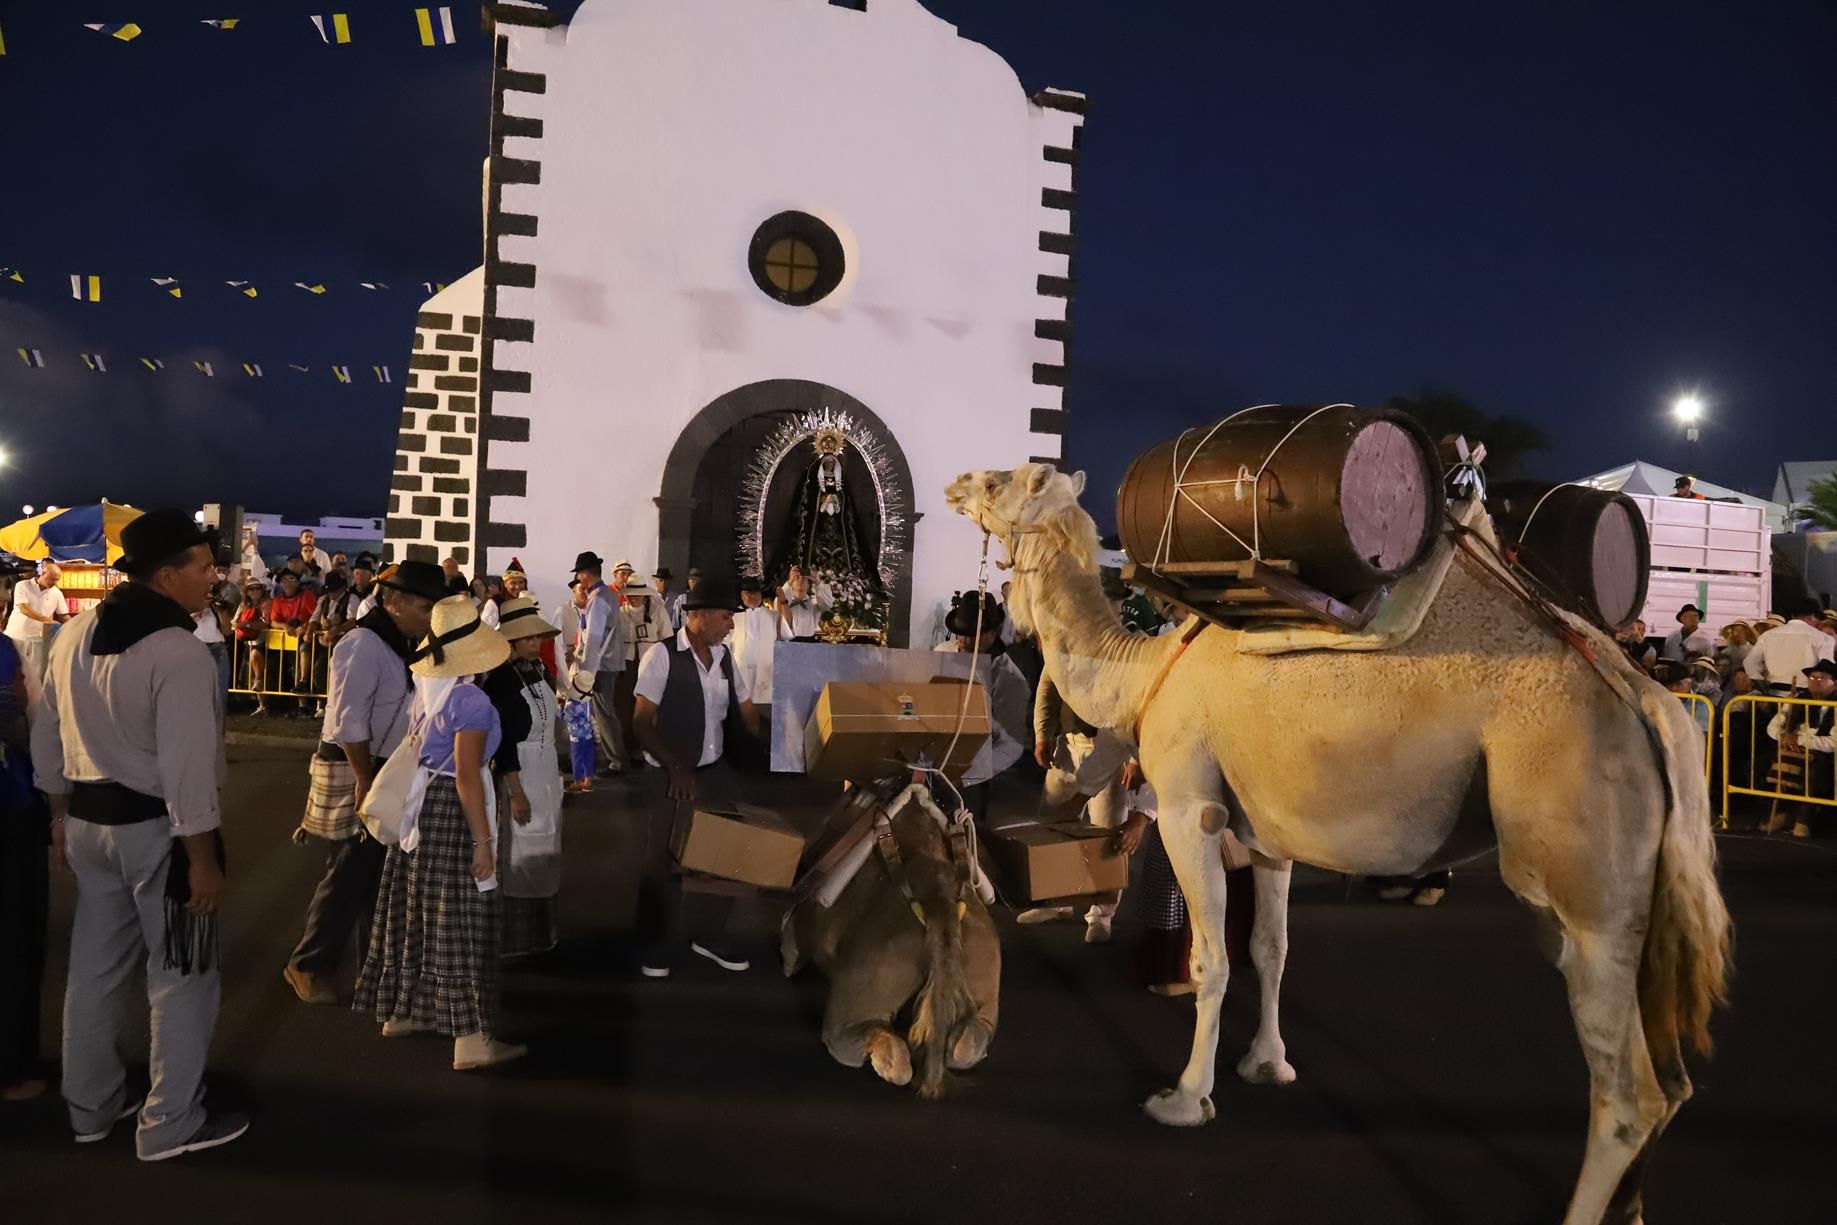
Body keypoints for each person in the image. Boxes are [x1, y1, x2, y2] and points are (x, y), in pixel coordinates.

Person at [30, 509, 249, 1159]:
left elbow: (47, 732)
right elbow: (186, 770)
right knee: (183, 974)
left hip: (88, 822)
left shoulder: (74, 631)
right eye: (203, 566)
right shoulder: (177, 649)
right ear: (165, 574)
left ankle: (89, 1105)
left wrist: (59, 813)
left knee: (93, 972)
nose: (213, 577)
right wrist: (201, 858)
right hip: (157, 831)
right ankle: (169, 1121)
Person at [353, 595, 524, 1071]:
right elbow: (468, 776)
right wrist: (483, 841)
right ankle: (471, 1038)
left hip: (420, 810)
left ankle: (407, 1011)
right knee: (461, 916)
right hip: (453, 808)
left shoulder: (427, 688)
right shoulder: (470, 699)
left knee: (415, 908)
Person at [282, 560, 443, 1006]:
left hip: (385, 768)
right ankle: (307, 963)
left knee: (376, 874)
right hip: (363, 768)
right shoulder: (363, 644)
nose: (430, 616)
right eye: (425, 606)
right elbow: (347, 721)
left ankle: (371, 969)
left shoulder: (398, 643)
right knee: (350, 872)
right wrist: (363, 778)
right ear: (393, 602)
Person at [630, 576, 763, 977]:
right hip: (670, 773)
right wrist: (674, 766)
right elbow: (641, 722)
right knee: (663, 861)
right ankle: (654, 942)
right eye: (727, 616)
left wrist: (769, 742)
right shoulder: (662, 656)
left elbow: (746, 711)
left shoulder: (725, 658)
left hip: (715, 769)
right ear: (699, 616)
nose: (732, 624)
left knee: (723, 854)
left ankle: (708, 935)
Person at [1018, 671, 1131, 938]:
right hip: (1068, 746)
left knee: (1106, 832)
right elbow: (1047, 686)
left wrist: (1134, 760)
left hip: (1111, 746)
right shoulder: (1064, 641)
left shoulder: (1122, 642)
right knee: (1052, 823)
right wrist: (1042, 735)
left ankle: (1101, 916)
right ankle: (1057, 899)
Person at [482, 596, 565, 957]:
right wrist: (516, 792)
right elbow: (504, 743)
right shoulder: (500, 680)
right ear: (511, 641)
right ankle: (511, 938)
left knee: (545, 848)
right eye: (528, 638)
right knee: (517, 851)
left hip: (546, 771)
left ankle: (541, 932)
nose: (535, 643)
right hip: (522, 772)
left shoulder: (539, 672)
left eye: (537, 638)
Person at [930, 591, 1029, 826]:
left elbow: (1012, 745)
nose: (962, 642)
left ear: (991, 634)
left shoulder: (1009, 679)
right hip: (930, 767)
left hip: (968, 779)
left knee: (964, 842)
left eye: (971, 635)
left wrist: (965, 775)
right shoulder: (942, 653)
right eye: (960, 634)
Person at [0, 633, 50, 1101]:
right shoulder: (3, 652)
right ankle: (12, 1071)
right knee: (15, 941)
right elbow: (24, 721)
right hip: (11, 804)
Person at [571, 552, 631, 777]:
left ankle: (617, 759)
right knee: (605, 711)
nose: (578, 578)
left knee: (604, 712)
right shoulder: (606, 594)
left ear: (586, 574)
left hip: (602, 665)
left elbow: (594, 638)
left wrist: (587, 670)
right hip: (609, 662)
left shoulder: (597, 599)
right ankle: (616, 757)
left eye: (579, 573)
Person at [1762, 660, 1836, 837]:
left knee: (1814, 770)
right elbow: (1772, 729)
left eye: (1823, 678)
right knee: (1764, 762)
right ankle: (1782, 813)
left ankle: (1804, 820)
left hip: (1825, 755)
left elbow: (1833, 742)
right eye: (1812, 677)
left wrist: (1799, 740)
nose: (1816, 681)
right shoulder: (1798, 700)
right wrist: (1785, 735)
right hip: (1793, 751)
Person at [612, 560, 670, 763]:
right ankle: (628, 748)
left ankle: (650, 746)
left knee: (648, 705)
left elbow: (668, 637)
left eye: (637, 593)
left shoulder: (657, 610)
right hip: (627, 663)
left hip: (650, 661)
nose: (634, 597)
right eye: (631, 593)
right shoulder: (620, 613)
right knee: (625, 707)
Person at [4, 560, 68, 704]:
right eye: (52, 579)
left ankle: (32, 705)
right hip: (16, 635)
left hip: (38, 640)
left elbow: (64, 615)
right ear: (43, 573)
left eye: (57, 580)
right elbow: (23, 608)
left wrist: (75, 626)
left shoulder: (56, 593)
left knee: (35, 676)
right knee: (13, 671)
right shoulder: (23, 585)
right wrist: (47, 620)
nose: (54, 583)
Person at [1740, 599, 1835, 693]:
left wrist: (1759, 681)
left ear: (1793, 615)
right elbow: (1827, 668)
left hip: (1774, 693)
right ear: (1812, 616)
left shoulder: (1768, 635)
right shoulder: (1824, 638)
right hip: (1805, 696)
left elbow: (1749, 662)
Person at [730, 577, 780, 717]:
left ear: (761, 594)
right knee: (740, 712)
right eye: (747, 593)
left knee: (763, 714)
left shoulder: (771, 616)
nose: (751, 596)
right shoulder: (732, 615)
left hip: (765, 671)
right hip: (739, 671)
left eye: (755, 592)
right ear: (741, 594)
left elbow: (786, 634)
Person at [192, 568, 237, 698]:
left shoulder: (218, 605)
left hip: (218, 647)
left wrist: (220, 611)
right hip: (196, 647)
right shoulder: (188, 603)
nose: (209, 588)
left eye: (212, 585)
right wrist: (199, 608)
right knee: (197, 690)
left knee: (219, 691)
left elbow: (227, 631)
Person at [232, 578, 272, 712]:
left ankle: (263, 704)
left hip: (264, 642)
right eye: (251, 589)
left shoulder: (266, 603)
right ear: (247, 591)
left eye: (257, 588)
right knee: (252, 673)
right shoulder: (244, 604)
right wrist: (244, 625)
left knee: (259, 674)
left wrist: (246, 625)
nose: (255, 591)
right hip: (248, 642)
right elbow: (234, 621)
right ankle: (261, 705)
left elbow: (266, 623)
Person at [776, 565, 834, 640]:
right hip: (787, 642)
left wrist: (818, 582)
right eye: (797, 577)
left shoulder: (814, 603)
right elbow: (779, 602)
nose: (800, 579)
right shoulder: (787, 599)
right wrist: (789, 582)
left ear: (809, 584)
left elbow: (827, 605)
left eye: (804, 577)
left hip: (808, 643)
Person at [654, 567, 686, 632]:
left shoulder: (675, 597)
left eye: (666, 581)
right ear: (656, 582)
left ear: (669, 582)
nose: (663, 584)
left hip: (670, 633)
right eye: (661, 581)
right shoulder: (651, 597)